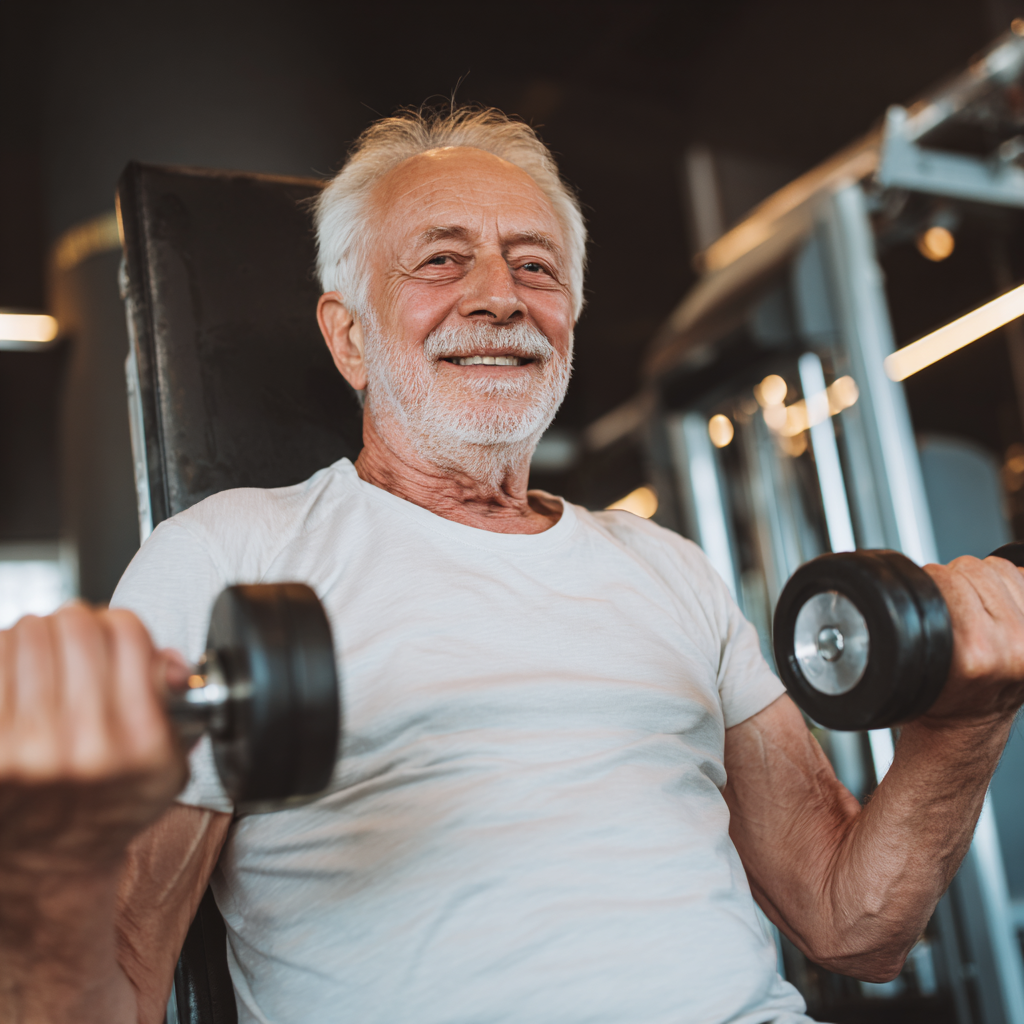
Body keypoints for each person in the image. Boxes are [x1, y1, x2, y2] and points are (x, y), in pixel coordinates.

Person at [3, 107, 1024, 1024]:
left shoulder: (668, 567)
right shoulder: (230, 556)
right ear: (348, 335)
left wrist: (961, 727)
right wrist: (47, 857)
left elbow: (855, 928)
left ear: (568, 319)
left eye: (535, 266)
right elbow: (119, 996)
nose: (500, 295)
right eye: (441, 261)